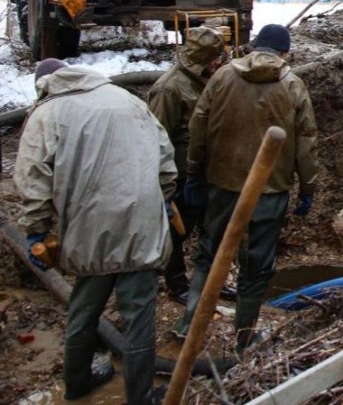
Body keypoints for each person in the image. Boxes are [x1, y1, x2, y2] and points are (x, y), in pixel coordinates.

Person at [15, 59, 176, 405]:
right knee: (139, 316)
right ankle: (142, 397)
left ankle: (77, 385)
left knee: (84, 309)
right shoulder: (129, 100)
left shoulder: (47, 112)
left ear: (45, 84)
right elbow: (165, 156)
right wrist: (164, 198)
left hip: (89, 227)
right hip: (141, 221)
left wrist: (35, 231)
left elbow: (33, 180)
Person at [175, 23, 319, 355]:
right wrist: (307, 186)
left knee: (210, 254)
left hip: (222, 184)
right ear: (284, 53)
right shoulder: (293, 85)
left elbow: (199, 126)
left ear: (253, 47)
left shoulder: (222, 77)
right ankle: (244, 337)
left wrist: (195, 173)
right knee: (256, 265)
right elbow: (306, 142)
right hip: (269, 190)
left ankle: (188, 325)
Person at [147, 25, 227, 303]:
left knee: (213, 228)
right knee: (175, 234)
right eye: (215, 59)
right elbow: (157, 139)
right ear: (202, 59)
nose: (219, 63)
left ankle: (211, 281)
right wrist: (165, 189)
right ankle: (177, 284)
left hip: (208, 172)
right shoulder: (169, 89)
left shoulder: (208, 80)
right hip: (180, 177)